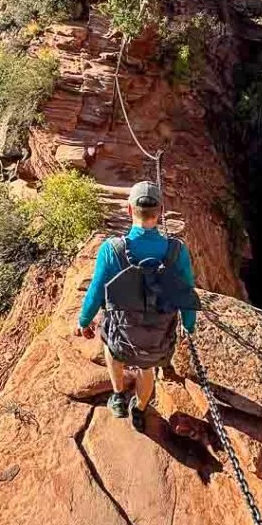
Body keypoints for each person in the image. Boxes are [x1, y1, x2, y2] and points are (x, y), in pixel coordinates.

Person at [75, 181, 198, 432]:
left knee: (112, 349)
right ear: (160, 211)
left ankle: (118, 396)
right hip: (157, 337)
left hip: (123, 333)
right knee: (146, 367)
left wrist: (83, 321)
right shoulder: (176, 251)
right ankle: (140, 410)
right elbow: (186, 292)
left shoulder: (112, 250)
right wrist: (188, 325)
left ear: (129, 210)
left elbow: (96, 291)